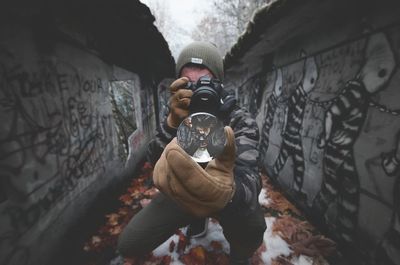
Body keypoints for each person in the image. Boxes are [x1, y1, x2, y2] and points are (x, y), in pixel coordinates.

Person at [118, 41, 266, 264]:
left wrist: (225, 194)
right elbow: (153, 159)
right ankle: (196, 217)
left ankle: (240, 254)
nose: (200, 89)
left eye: (206, 81)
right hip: (182, 189)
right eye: (190, 83)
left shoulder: (239, 118)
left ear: (219, 82)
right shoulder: (179, 110)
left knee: (252, 226)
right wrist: (172, 123)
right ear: (179, 84)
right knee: (130, 243)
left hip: (227, 195)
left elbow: (252, 180)